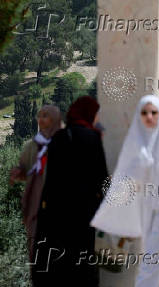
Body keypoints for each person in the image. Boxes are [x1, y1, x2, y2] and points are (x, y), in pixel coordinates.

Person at [91, 95, 159, 287]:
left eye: (154, 112)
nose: (149, 117)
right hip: (147, 212)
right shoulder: (140, 142)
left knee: (151, 265)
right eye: (144, 113)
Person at [32, 96, 108, 287]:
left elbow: (50, 180)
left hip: (58, 213)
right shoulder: (92, 138)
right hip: (85, 213)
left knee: (62, 263)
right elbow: (102, 178)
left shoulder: (58, 138)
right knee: (83, 262)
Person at [9, 105, 62, 266]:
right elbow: (25, 170)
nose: (41, 119)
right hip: (36, 200)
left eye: (45, 116)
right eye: (39, 115)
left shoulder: (65, 143)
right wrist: (18, 173)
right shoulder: (30, 146)